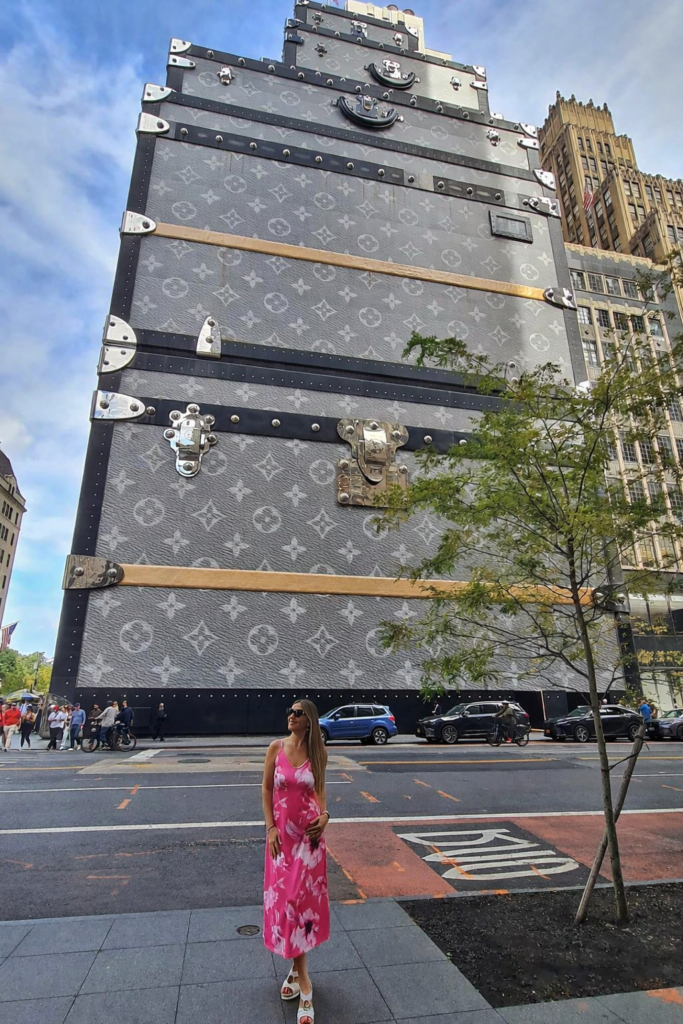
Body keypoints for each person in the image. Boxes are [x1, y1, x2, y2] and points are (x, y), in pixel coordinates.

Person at [262, 699, 330, 1024]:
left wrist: (326, 815)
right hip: (281, 841)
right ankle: (296, 971)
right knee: (287, 905)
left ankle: (305, 986)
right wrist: (271, 828)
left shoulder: (319, 754)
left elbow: (321, 793)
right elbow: (264, 789)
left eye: (298, 713)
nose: (291, 716)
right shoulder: (275, 748)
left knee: (296, 904)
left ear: (309, 721)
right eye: (289, 711)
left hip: (309, 841)